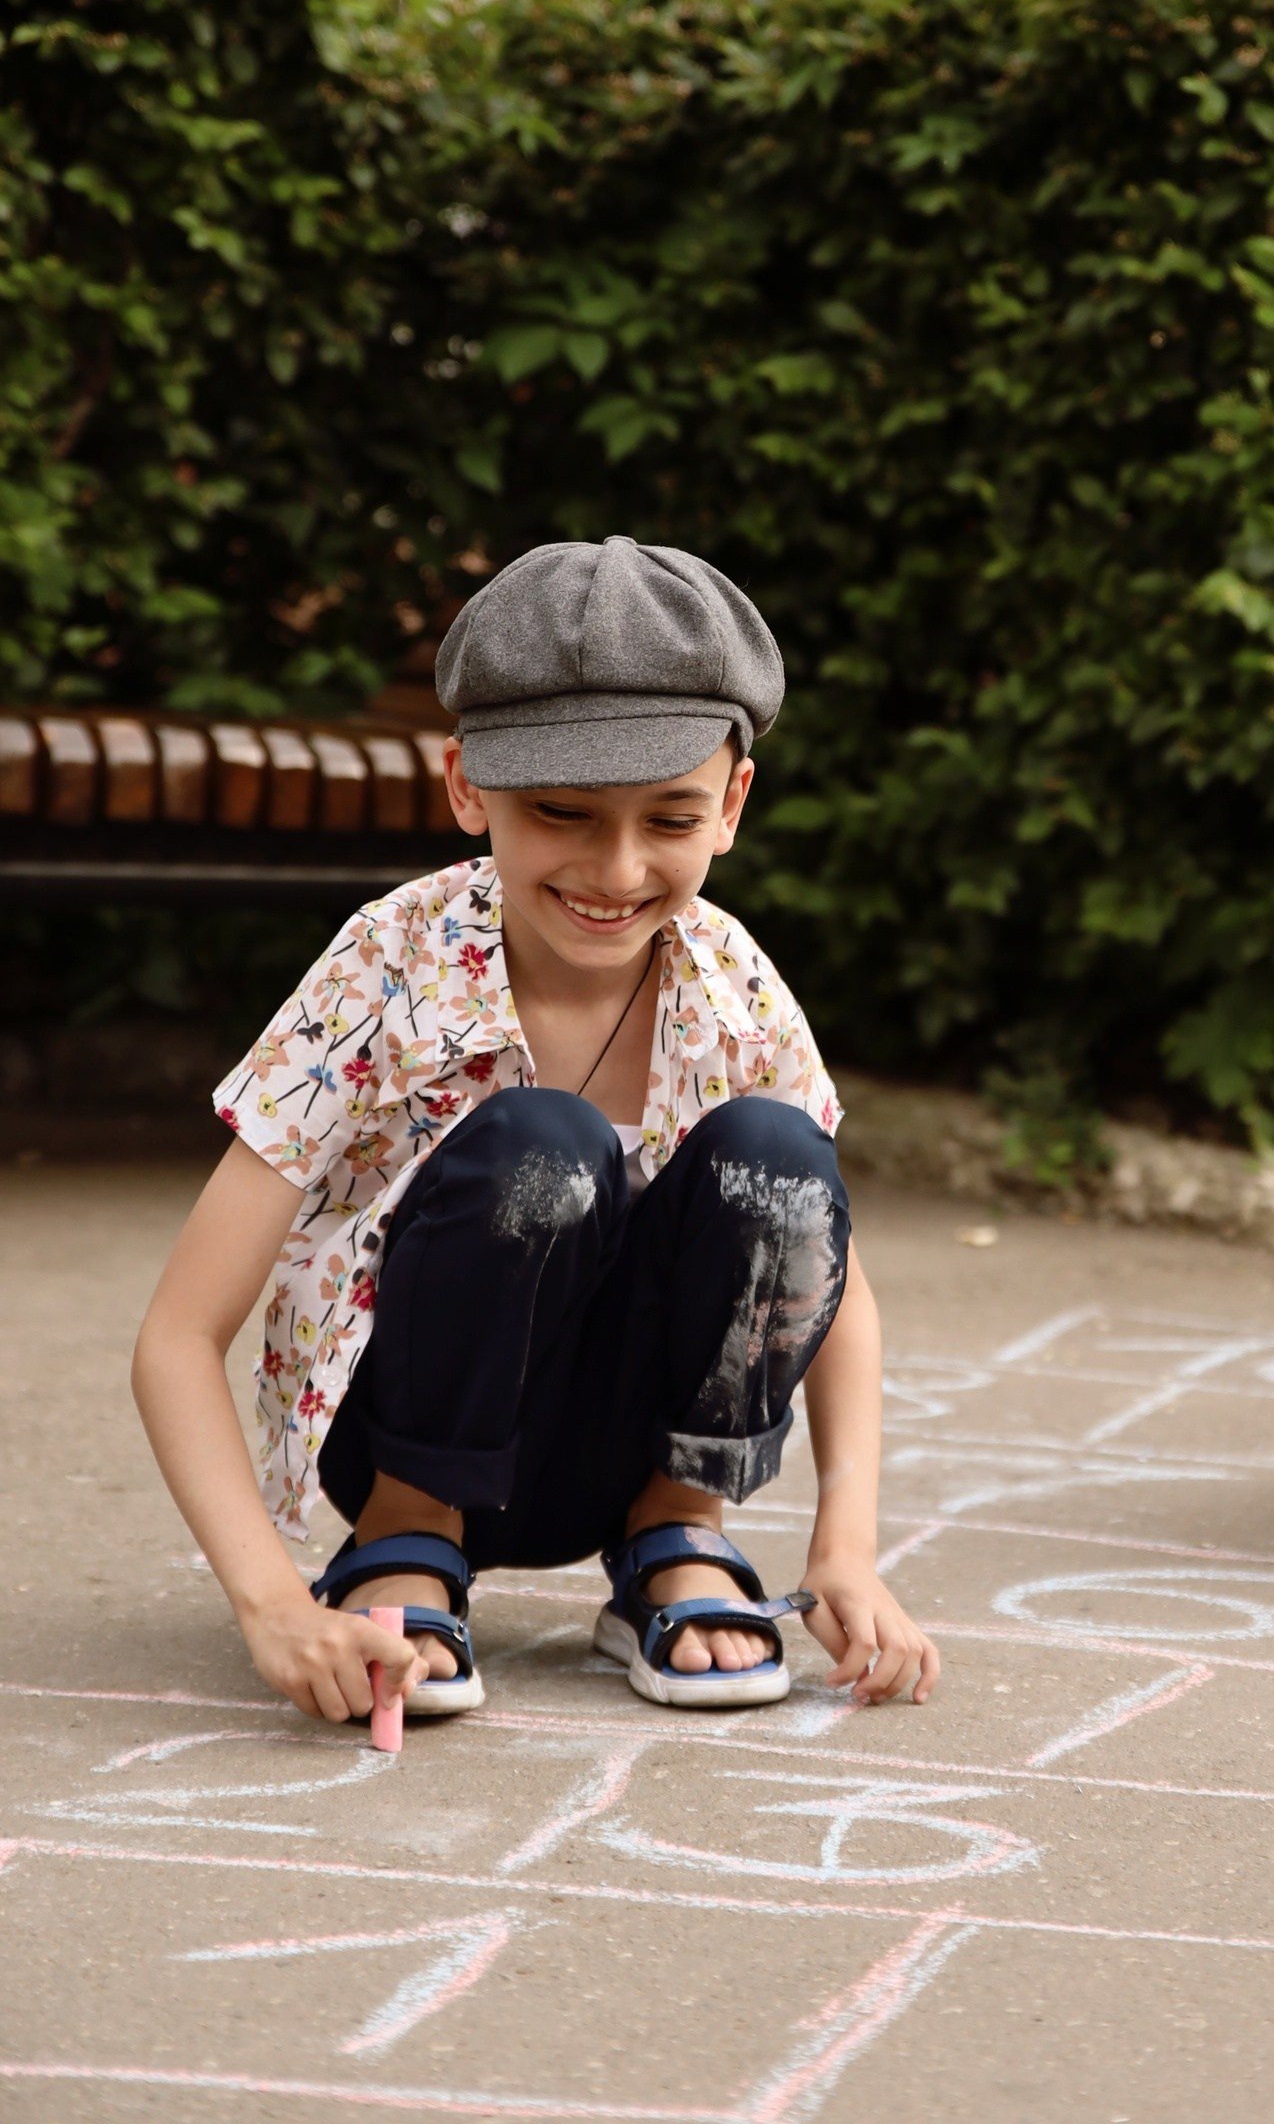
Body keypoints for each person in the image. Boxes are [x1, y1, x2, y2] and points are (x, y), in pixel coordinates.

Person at [132, 536, 940, 1723]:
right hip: (409, 1432)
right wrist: (269, 1599)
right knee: (538, 1147)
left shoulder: (734, 987)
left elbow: (835, 1287)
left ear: (731, 803)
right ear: (466, 787)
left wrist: (847, 1549)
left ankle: (677, 1536)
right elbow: (175, 1336)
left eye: (667, 818)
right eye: (559, 813)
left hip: (622, 1457)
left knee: (778, 1157)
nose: (613, 869)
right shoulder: (388, 965)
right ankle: (407, 1543)